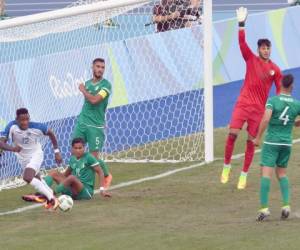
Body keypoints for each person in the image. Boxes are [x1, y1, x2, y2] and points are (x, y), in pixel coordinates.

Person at [220, 7, 282, 189]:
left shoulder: (275, 70)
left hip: (258, 110)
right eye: (263, 48)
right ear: (258, 49)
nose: (266, 50)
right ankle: (226, 166)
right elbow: (241, 43)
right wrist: (241, 24)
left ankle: (244, 175)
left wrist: (276, 108)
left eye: (268, 48)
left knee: (251, 142)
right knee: (232, 134)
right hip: (243, 103)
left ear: (270, 50)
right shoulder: (250, 59)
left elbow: (279, 91)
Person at [253, 74, 300, 221]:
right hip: (286, 143)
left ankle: (264, 209)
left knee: (265, 174)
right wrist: (297, 123)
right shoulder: (296, 104)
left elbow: (266, 118)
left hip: (272, 142)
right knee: (282, 174)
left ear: (280, 85)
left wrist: (258, 137)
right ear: (292, 87)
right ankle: (286, 206)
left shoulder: (273, 101)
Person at [0, 108, 62, 209]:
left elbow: (51, 134)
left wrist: (57, 152)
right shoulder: (12, 126)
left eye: (27, 119)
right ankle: (49, 193)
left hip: (36, 154)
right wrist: (13, 149)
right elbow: (1, 142)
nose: (25, 122)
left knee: (27, 177)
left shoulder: (37, 127)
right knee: (37, 178)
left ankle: (52, 199)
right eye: (22, 120)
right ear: (16, 119)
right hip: (22, 158)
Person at [73, 58, 112, 196]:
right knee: (76, 153)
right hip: (82, 122)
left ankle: (106, 175)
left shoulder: (106, 86)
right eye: (98, 66)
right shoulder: (88, 83)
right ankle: (77, 183)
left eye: (102, 67)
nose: (100, 69)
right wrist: (85, 88)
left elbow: (95, 100)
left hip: (96, 126)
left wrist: (83, 90)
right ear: (93, 67)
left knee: (92, 158)